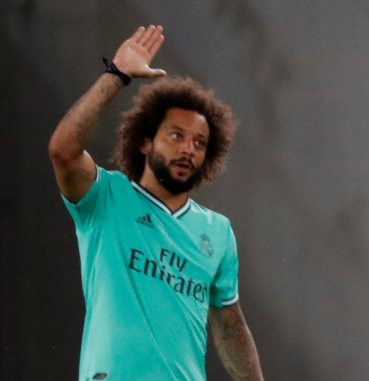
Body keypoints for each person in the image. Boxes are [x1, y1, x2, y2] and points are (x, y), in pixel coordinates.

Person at [48, 25, 263, 380]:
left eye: (199, 143)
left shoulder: (218, 232)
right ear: (145, 142)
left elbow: (228, 325)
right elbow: (63, 151)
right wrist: (116, 76)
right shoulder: (106, 198)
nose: (188, 150)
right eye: (177, 136)